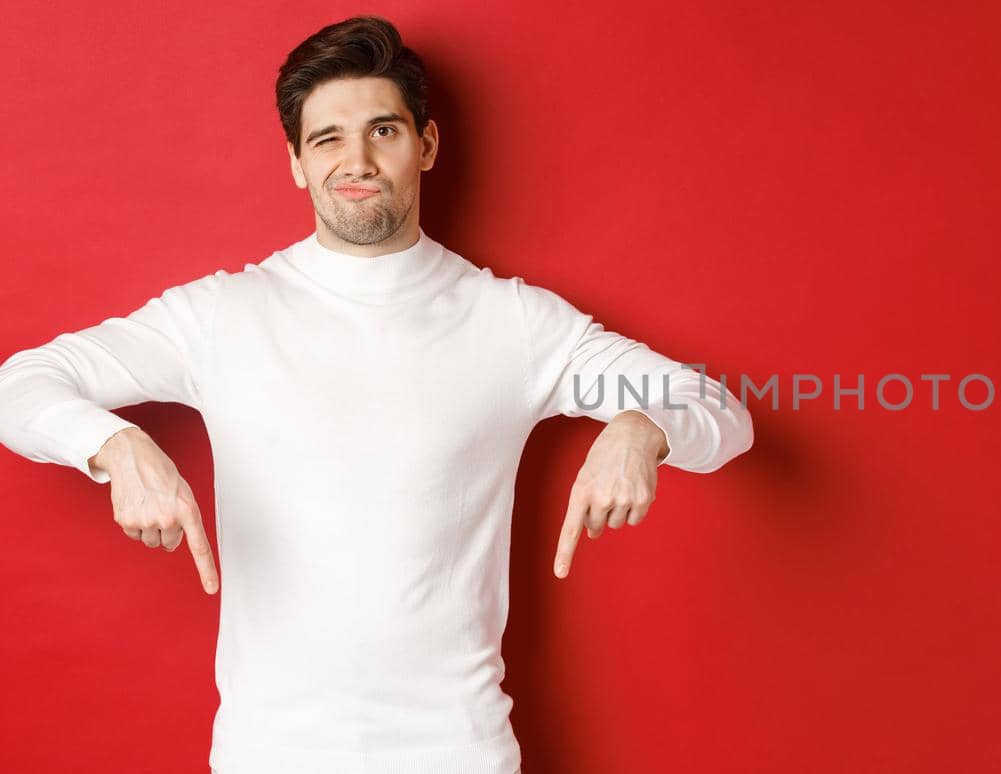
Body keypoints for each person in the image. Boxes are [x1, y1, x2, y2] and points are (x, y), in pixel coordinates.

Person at [0, 15, 753, 774]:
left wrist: (639, 425)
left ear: (424, 144)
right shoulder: (220, 316)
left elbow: (722, 411)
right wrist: (112, 445)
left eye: (382, 131)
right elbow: (18, 385)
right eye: (327, 138)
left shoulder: (515, 323)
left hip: (459, 752)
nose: (355, 160)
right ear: (295, 161)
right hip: (267, 754)